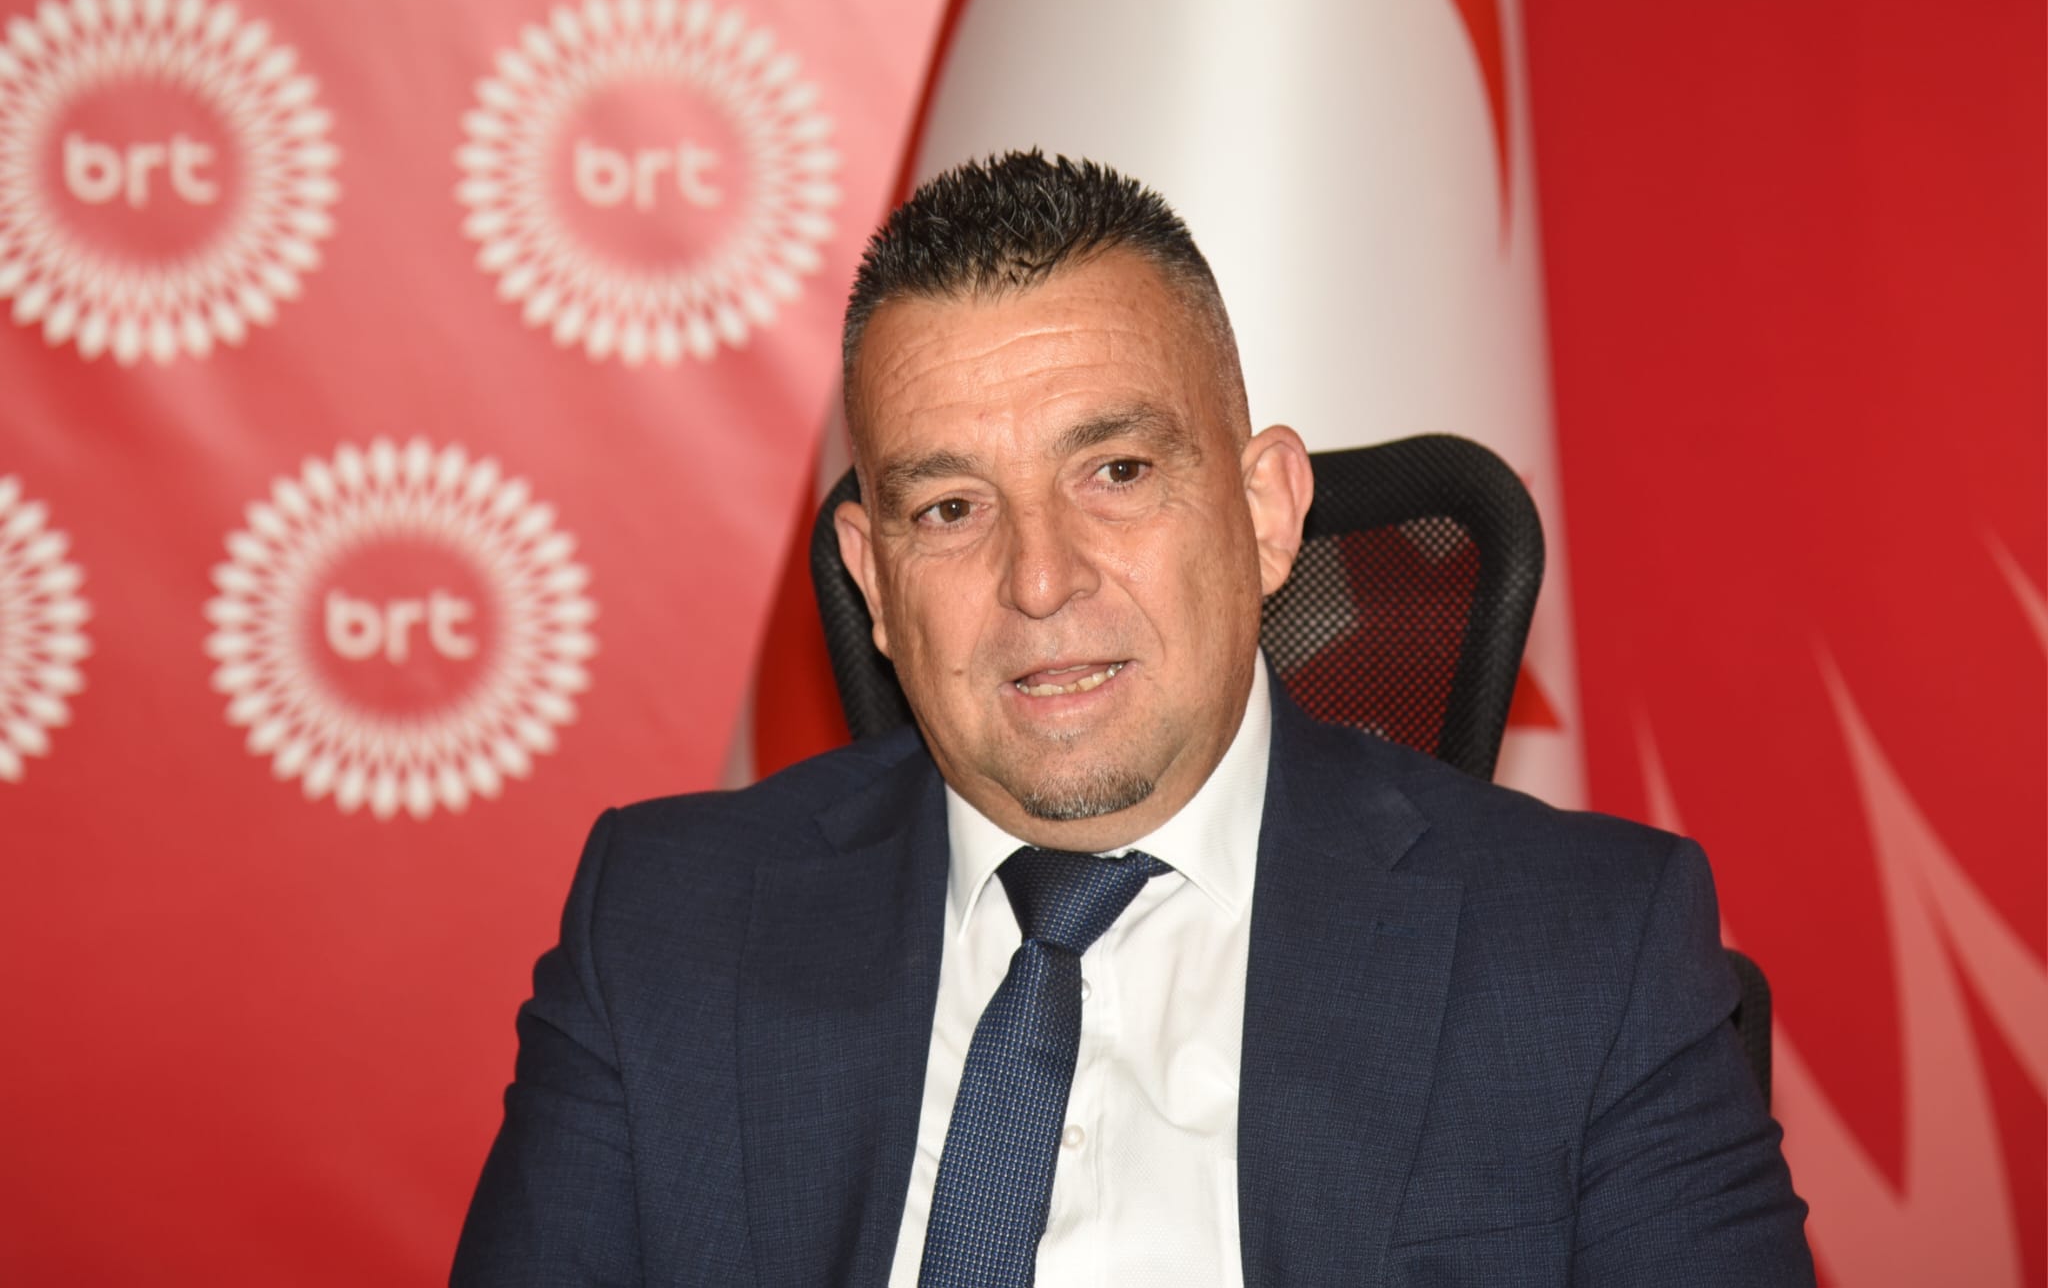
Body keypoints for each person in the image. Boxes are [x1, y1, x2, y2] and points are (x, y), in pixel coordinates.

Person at [453, 151, 1812, 1286]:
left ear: (1266, 512)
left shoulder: (1589, 951)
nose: (1040, 581)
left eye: (1114, 470)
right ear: (873, 583)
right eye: (950, 509)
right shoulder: (664, 928)